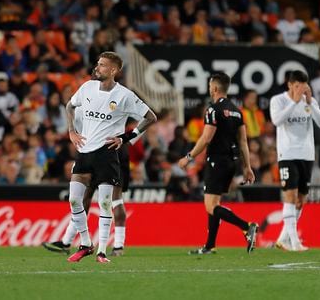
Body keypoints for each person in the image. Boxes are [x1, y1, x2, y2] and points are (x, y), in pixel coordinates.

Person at [65, 51, 157, 263]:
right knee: (74, 200)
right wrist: (71, 130)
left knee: (105, 204)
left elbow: (150, 117)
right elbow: (70, 105)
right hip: (84, 152)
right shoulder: (87, 87)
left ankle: (102, 251)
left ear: (114, 70)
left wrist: (126, 138)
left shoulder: (124, 95)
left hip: (107, 154)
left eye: (103, 65)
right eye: (98, 64)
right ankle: (86, 243)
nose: (97, 67)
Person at [178, 72, 259, 255]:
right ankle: (209, 245)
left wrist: (188, 157)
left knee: (211, 206)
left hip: (216, 161)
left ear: (214, 88)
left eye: (209, 85)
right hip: (231, 162)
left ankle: (247, 227)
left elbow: (206, 138)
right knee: (214, 203)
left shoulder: (213, 109)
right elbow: (243, 142)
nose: (209, 88)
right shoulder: (237, 111)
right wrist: (247, 167)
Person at [270, 70, 320, 251]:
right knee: (290, 195)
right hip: (287, 154)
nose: (300, 90)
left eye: (303, 87)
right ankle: (295, 242)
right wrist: (294, 102)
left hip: (307, 154)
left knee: (301, 200)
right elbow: (277, 120)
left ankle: (282, 239)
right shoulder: (278, 100)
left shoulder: (309, 102)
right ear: (290, 85)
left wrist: (310, 102)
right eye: (296, 86)